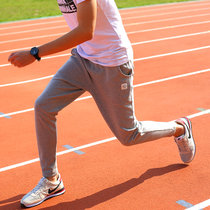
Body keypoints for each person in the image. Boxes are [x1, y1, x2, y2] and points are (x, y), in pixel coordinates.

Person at [8, 0, 196, 208]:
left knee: (129, 135)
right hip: (82, 60)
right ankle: (51, 180)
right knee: (44, 106)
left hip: (112, 64)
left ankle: (179, 128)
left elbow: (85, 31)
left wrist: (35, 53)